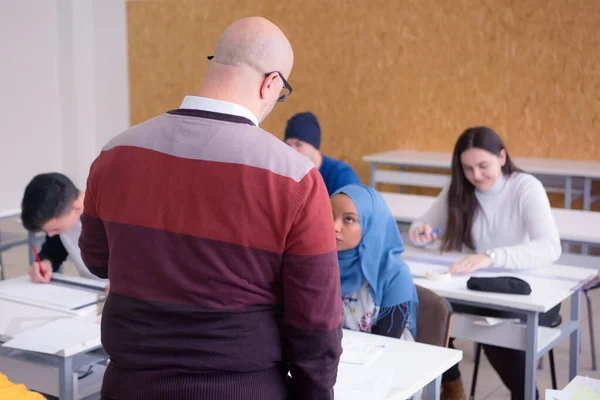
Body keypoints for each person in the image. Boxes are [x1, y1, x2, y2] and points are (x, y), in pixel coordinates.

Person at [79, 17, 343, 400]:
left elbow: (97, 260)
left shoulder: (116, 153)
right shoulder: (295, 178)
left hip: (128, 384)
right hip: (244, 387)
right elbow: (315, 321)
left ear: (214, 64)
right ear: (271, 83)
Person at [409, 126, 562, 400]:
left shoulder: (525, 187)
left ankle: (528, 395)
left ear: (502, 157)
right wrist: (420, 232)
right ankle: (451, 387)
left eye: (483, 166)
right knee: (432, 309)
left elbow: (550, 246)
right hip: (476, 285)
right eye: (467, 168)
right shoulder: (458, 188)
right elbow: (425, 225)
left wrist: (491, 257)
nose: (476, 176)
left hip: (526, 288)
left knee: (493, 329)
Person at [331, 184, 421, 400]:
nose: (334, 226)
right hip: (331, 365)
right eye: (329, 215)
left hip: (383, 371)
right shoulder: (317, 263)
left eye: (349, 219)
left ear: (372, 223)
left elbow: (387, 343)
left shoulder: (394, 274)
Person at [20, 173, 106, 285]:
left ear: (76, 208)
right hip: (94, 290)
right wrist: (46, 262)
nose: (51, 234)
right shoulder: (62, 214)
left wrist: (124, 285)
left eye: (56, 229)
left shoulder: (111, 215)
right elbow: (53, 250)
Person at [284, 111, 360, 195]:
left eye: (299, 144)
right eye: (287, 145)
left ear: (315, 145)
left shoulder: (341, 175)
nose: (292, 151)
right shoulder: (286, 174)